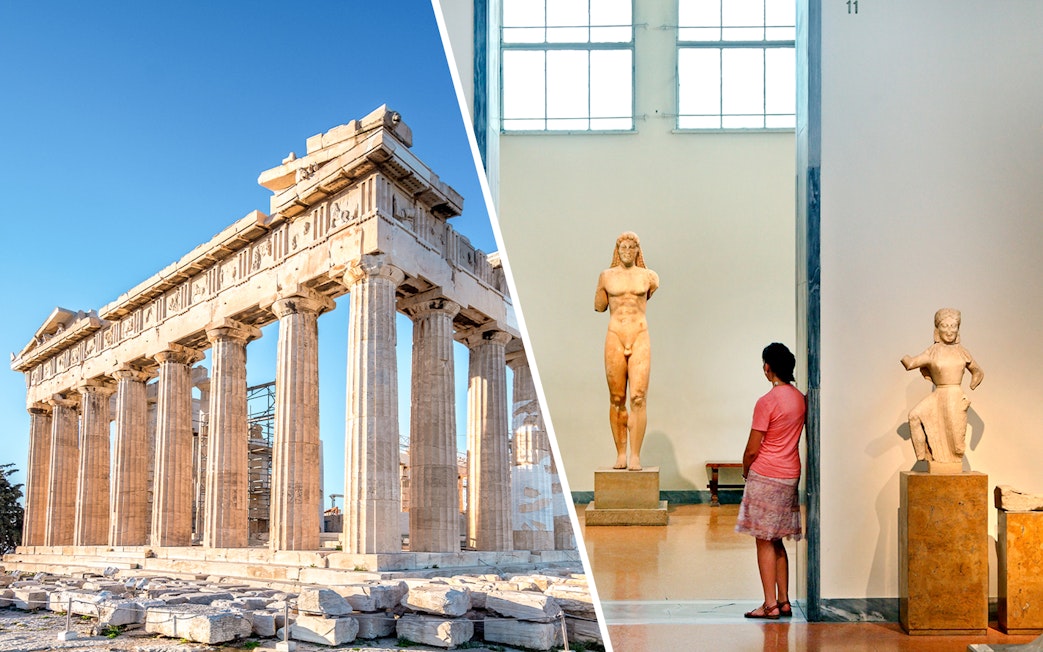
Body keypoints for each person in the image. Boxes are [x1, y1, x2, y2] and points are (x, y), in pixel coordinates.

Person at [736, 342, 806, 619]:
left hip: (766, 474)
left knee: (763, 540)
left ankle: (769, 605)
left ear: (768, 368)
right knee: (777, 540)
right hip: (790, 474)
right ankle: (784, 601)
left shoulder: (766, 402)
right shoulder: (800, 398)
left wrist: (745, 469)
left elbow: (753, 448)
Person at [594, 232, 659, 471]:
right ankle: (621, 452)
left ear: (638, 251)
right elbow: (599, 306)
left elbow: (650, 290)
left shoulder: (649, 277)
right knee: (617, 398)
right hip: (615, 335)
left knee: (638, 397)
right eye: (623, 247)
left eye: (632, 247)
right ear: (617, 250)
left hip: (640, 334)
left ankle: (635, 455)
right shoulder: (606, 276)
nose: (627, 251)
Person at [900, 308, 984, 472]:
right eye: (945, 326)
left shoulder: (962, 352)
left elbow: (978, 371)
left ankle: (949, 461)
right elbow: (912, 363)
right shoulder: (933, 351)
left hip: (955, 395)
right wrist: (906, 359)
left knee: (957, 446)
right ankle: (924, 455)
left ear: (958, 329)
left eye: (954, 326)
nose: (950, 331)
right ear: (937, 329)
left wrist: (972, 384)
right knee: (914, 416)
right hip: (939, 394)